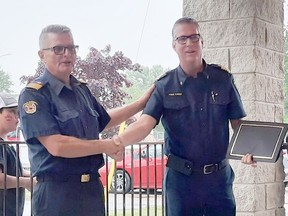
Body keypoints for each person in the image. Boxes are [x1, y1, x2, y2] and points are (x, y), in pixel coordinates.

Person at [111, 17, 247, 216]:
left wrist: (251, 149)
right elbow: (144, 125)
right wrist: (117, 142)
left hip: (219, 180)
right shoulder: (164, 85)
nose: (189, 43)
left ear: (202, 42)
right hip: (181, 182)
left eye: (194, 37)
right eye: (182, 39)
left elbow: (238, 124)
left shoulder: (223, 79)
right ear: (174, 45)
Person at [18, 24, 153, 216]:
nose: (67, 54)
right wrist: (106, 145)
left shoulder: (81, 89)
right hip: (57, 195)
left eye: (72, 48)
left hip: (91, 190)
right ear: (42, 55)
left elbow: (104, 119)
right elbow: (57, 145)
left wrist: (140, 104)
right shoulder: (34, 96)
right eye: (58, 49)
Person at [0, 93, 33, 216]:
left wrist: (35, 177)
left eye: (17, 112)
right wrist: (26, 182)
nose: (17, 118)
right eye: (12, 112)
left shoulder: (6, 144)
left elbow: (14, 172)